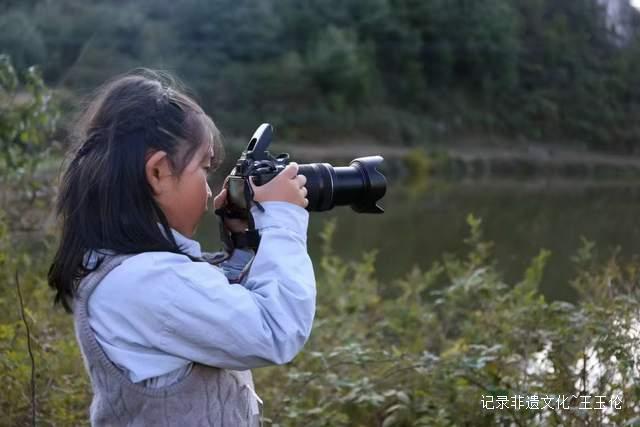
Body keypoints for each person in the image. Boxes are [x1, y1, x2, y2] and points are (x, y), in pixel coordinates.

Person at [47, 69, 316, 426]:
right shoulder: (146, 281)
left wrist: (241, 242)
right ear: (157, 171)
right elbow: (275, 329)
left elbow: (220, 301)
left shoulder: (129, 269)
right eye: (204, 168)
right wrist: (282, 217)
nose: (208, 191)